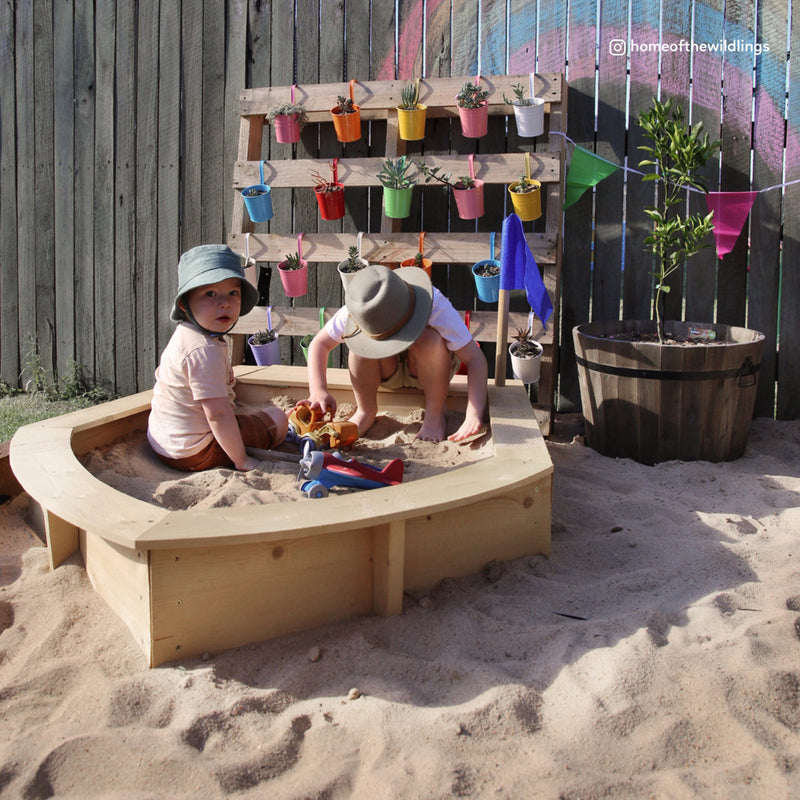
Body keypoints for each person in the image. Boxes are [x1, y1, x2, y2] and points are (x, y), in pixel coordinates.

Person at [303, 264, 488, 443]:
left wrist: (473, 413)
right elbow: (319, 344)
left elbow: (474, 359)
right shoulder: (362, 309)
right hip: (387, 371)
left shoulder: (434, 303)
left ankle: (435, 415)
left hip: (429, 370)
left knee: (429, 340)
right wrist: (318, 391)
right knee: (358, 348)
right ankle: (365, 412)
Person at [147, 244, 289, 472]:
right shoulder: (204, 350)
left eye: (233, 293)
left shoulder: (186, 334)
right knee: (279, 419)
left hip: (165, 443)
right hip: (196, 451)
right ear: (185, 304)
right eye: (210, 294)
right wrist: (242, 460)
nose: (224, 302)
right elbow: (218, 415)